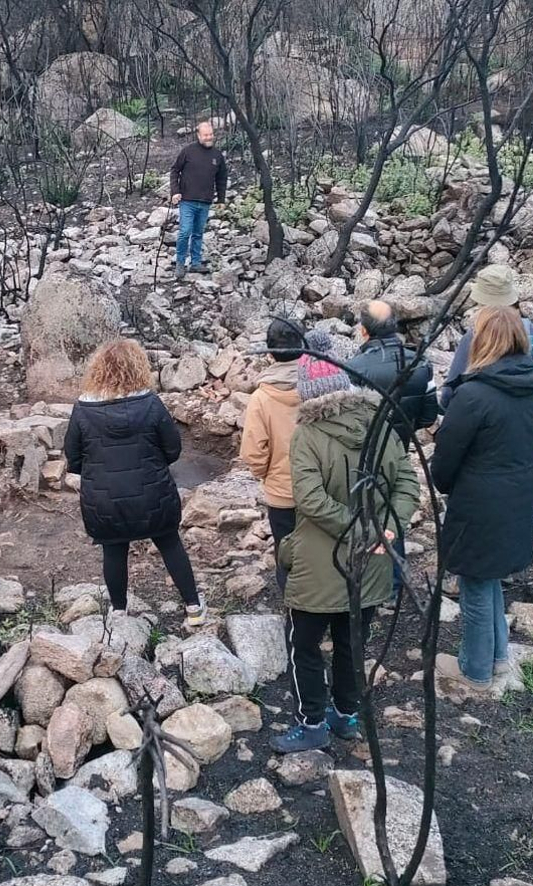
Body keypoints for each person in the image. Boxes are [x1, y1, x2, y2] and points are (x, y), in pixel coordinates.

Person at [272, 330, 418, 752]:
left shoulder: (307, 436)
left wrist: (358, 532)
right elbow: (406, 483)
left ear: (307, 390)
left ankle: (311, 723)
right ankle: (346, 715)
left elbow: (310, 500)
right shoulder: (380, 425)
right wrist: (386, 530)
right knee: (353, 643)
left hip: (322, 564)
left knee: (303, 646)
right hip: (371, 564)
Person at [431, 306, 533, 693]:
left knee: (476, 583)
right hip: (519, 495)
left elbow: (446, 458)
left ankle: (474, 671)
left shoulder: (474, 394)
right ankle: (497, 656)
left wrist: (441, 481)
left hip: (482, 502)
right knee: (490, 578)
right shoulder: (531, 385)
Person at [64, 339, 203, 624]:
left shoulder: (82, 409)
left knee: (114, 550)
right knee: (170, 544)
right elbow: (173, 449)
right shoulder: (151, 404)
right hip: (153, 495)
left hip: (105, 501)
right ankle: (193, 608)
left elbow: (74, 458)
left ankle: (119, 612)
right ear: (138, 368)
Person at [240, 320, 304, 593]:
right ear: (303, 349)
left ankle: (293, 609)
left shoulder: (261, 398)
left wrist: (265, 474)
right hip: (323, 486)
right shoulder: (320, 387)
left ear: (269, 354)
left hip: (282, 491)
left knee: (287, 552)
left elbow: (254, 451)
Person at [439, 265, 533, 409]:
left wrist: (446, 409)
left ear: (482, 301)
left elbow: (452, 386)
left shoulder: (475, 335)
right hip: (527, 416)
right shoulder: (532, 330)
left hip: (485, 416)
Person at [352, 300, 440, 441]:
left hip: (364, 448)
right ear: (394, 326)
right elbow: (428, 417)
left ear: (363, 331)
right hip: (401, 445)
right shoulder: (421, 363)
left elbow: (350, 419)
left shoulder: (354, 368)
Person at [169, 121, 228, 279]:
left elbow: (222, 178)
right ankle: (180, 263)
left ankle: (195, 263)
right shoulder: (188, 151)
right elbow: (175, 171)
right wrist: (175, 192)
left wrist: (221, 199)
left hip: (205, 201)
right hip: (187, 200)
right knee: (184, 232)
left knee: (198, 233)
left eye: (211, 134)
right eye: (205, 135)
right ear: (199, 135)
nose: (209, 137)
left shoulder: (217, 155)